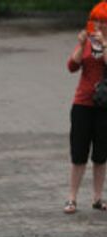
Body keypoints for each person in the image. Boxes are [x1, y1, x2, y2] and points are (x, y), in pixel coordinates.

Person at [64, 1, 107, 214]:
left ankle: (98, 198)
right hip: (83, 103)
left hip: (104, 106)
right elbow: (72, 66)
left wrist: (105, 45)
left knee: (101, 154)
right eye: (95, 20)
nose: (98, 25)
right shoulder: (88, 43)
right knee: (78, 152)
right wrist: (81, 45)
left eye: (103, 21)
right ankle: (72, 198)